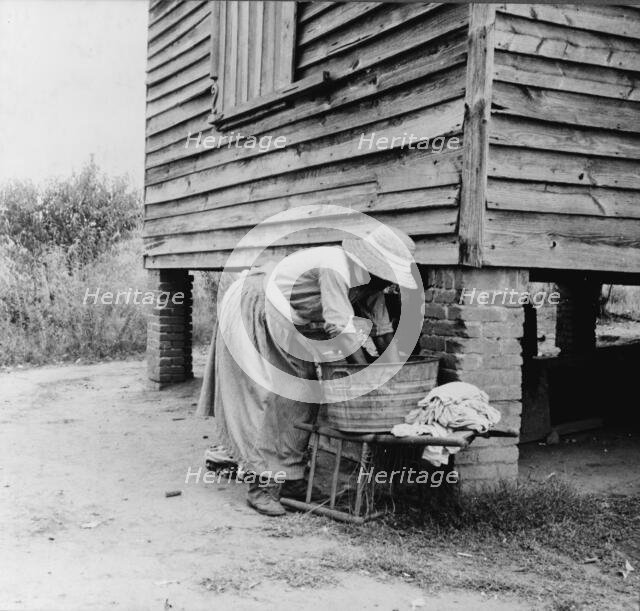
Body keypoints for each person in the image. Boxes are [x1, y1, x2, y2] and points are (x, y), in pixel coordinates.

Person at [197, 224, 417, 516]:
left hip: (292, 320)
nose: (387, 283)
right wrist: (366, 377)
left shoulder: (372, 287)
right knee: (273, 399)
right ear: (373, 264)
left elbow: (385, 333)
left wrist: (395, 373)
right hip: (258, 306)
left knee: (304, 398)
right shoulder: (335, 267)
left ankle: (290, 478)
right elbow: (340, 330)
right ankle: (261, 487)